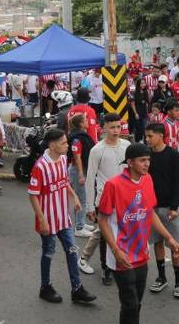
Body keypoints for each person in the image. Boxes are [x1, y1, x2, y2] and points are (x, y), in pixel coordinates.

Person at [98, 143, 179, 324]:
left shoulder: (147, 180)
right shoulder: (113, 185)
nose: (147, 164)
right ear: (130, 162)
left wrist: (169, 238)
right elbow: (103, 220)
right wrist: (116, 250)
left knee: (137, 303)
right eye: (142, 160)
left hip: (141, 253)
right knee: (130, 304)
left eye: (149, 160)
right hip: (121, 255)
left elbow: (149, 212)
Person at [27, 128, 96, 305]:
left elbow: (63, 181)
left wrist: (74, 197)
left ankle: (77, 288)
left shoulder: (64, 159)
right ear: (52, 145)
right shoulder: (40, 166)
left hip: (63, 217)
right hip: (47, 219)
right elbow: (33, 194)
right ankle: (45, 287)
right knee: (49, 252)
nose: (67, 145)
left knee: (72, 250)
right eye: (63, 142)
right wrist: (42, 219)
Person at [80, 113, 130, 282]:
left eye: (118, 126)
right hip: (103, 199)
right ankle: (105, 268)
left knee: (123, 231)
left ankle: (121, 262)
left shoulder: (127, 146)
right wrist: (89, 207)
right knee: (104, 235)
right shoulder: (97, 150)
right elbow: (89, 179)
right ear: (104, 128)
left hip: (125, 199)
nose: (116, 131)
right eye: (112, 127)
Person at [144, 123, 179, 298]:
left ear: (161, 135)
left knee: (175, 245)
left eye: (150, 136)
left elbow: (178, 182)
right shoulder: (146, 157)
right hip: (152, 209)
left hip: (170, 208)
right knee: (157, 243)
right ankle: (162, 277)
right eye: (146, 136)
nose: (147, 139)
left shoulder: (173, 155)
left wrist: (175, 206)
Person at [69, 113, 96, 238]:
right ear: (80, 124)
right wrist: (80, 174)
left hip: (81, 169)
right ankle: (79, 227)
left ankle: (82, 223)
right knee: (81, 199)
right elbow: (77, 157)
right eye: (85, 120)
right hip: (77, 170)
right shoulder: (77, 138)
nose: (88, 121)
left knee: (83, 198)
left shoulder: (81, 136)